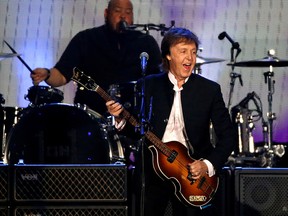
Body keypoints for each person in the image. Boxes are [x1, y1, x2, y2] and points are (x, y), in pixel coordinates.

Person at [106, 27, 237, 216]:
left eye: (193, 52)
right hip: (153, 171)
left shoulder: (209, 90)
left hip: (192, 174)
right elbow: (137, 130)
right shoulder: (148, 85)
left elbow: (228, 136)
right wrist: (119, 117)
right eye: (183, 51)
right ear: (168, 55)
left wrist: (207, 165)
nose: (190, 58)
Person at [31, 0, 161, 116]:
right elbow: (62, 74)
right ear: (106, 13)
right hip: (91, 117)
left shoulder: (145, 42)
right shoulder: (86, 39)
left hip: (133, 118)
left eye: (128, 12)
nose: (123, 16)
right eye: (117, 11)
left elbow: (159, 78)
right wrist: (47, 74)